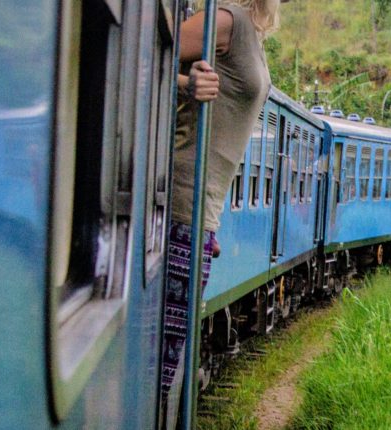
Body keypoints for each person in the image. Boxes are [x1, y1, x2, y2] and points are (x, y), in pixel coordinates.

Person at [160, 0, 280, 426]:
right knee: (163, 360)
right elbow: (142, 53)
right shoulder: (226, 19)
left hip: (200, 212)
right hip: (181, 199)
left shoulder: (249, 29)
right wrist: (184, 84)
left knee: (171, 354)